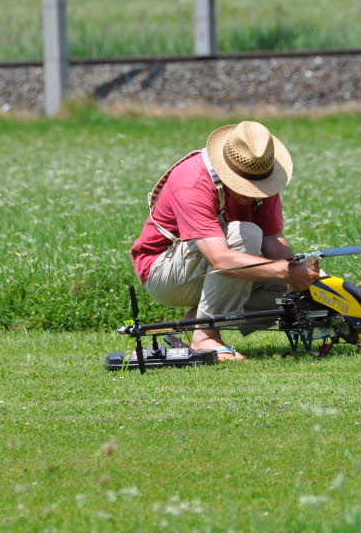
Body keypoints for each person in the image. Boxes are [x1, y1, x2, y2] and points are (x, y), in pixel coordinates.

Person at [130, 120, 320, 361]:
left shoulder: (262, 175)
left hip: (212, 265)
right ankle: (205, 337)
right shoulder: (192, 181)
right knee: (245, 233)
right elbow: (220, 259)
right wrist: (285, 270)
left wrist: (300, 277)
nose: (252, 192)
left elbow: (272, 239)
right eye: (245, 185)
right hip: (164, 274)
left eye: (257, 185)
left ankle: (194, 321)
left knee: (293, 293)